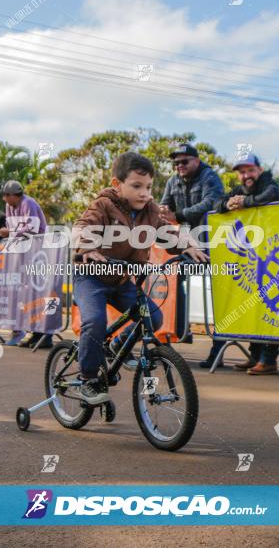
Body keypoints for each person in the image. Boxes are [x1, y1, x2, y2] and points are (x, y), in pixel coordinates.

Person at [72, 151, 208, 404]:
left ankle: (117, 346)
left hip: (122, 280)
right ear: (117, 184)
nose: (144, 193)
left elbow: (167, 233)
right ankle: (88, 379)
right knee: (94, 322)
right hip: (91, 277)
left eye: (148, 187)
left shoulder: (150, 210)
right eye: (136, 186)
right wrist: (88, 248)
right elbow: (83, 225)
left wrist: (187, 246)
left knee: (153, 318)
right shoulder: (103, 205)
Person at [215, 153, 279, 375]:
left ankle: (269, 359)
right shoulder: (239, 188)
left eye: (250, 170)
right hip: (253, 257)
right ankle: (254, 355)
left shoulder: (269, 184)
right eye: (242, 172)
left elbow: (271, 196)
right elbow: (217, 205)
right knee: (254, 303)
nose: (246, 175)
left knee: (271, 305)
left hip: (275, 255)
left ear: (259, 170)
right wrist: (229, 203)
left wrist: (245, 203)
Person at [159, 142, 225, 345]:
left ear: (196, 160)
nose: (179, 165)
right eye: (176, 163)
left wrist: (177, 215)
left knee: (218, 293)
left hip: (212, 242)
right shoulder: (173, 181)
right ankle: (180, 330)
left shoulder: (209, 177)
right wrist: (162, 211)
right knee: (174, 279)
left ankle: (219, 344)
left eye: (184, 161)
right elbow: (165, 204)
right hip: (188, 243)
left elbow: (210, 204)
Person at [0, 180, 50, 348]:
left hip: (39, 252)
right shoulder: (9, 206)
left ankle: (44, 334)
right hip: (22, 253)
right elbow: (11, 227)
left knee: (38, 291)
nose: (4, 199)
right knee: (26, 292)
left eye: (6, 196)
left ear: (12, 195)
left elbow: (33, 228)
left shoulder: (28, 203)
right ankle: (33, 332)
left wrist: (10, 232)